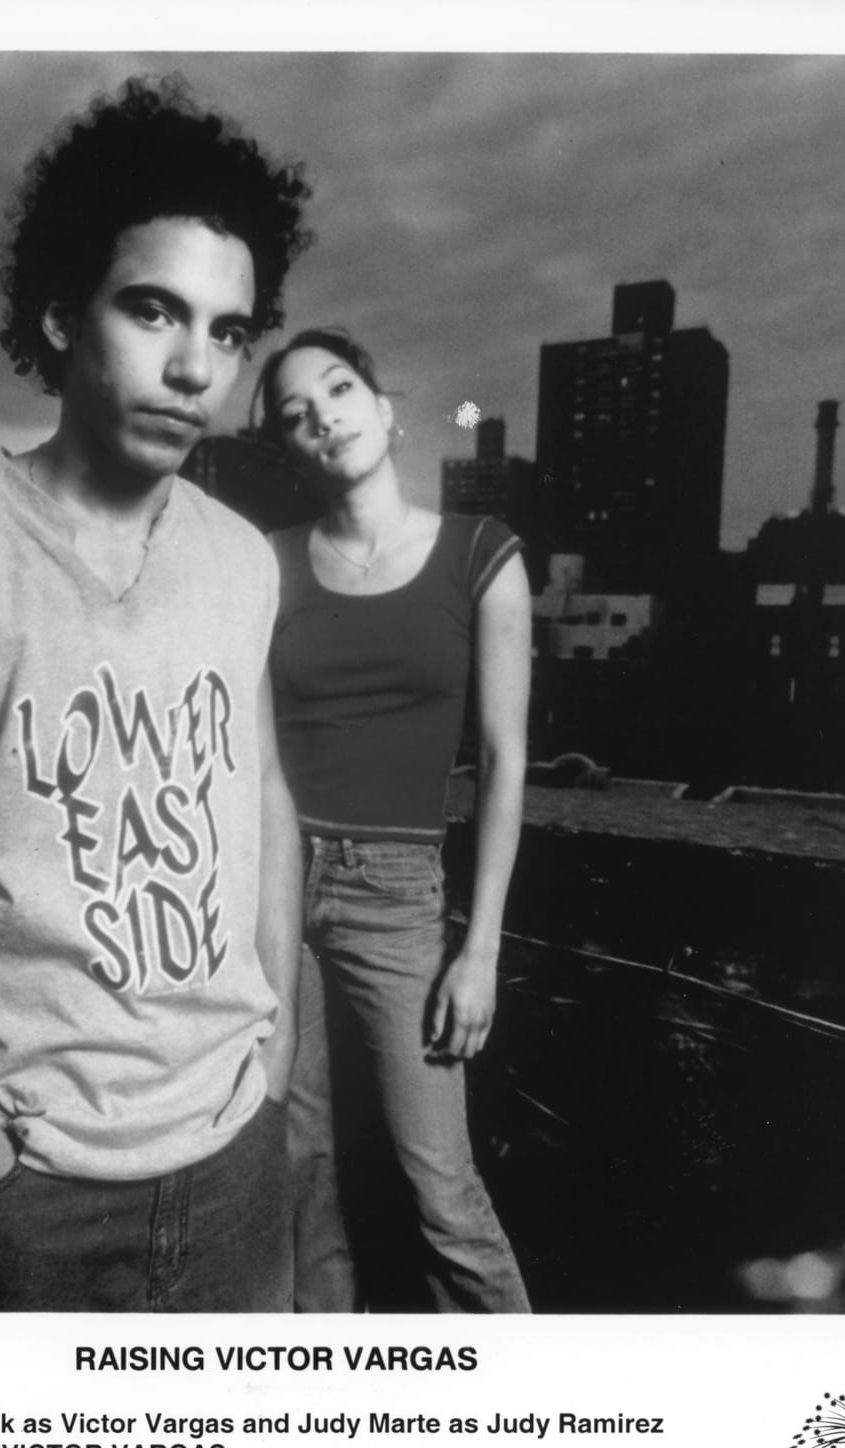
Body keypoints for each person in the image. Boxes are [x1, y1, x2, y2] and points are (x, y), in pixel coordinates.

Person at [0, 77, 314, 1311]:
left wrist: (279, 1043)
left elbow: (265, 802)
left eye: (230, 332)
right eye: (153, 310)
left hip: (235, 1146)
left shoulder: (241, 560)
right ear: (58, 316)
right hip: (28, 1177)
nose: (196, 366)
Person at [254, 329, 533, 1313]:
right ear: (289, 451)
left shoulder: (480, 554)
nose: (321, 415)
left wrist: (479, 947)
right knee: (294, 1163)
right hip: (270, 886)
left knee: (438, 1186)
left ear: (383, 408)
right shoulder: (267, 565)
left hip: (397, 892)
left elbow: (502, 761)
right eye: (293, 414)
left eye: (336, 389)